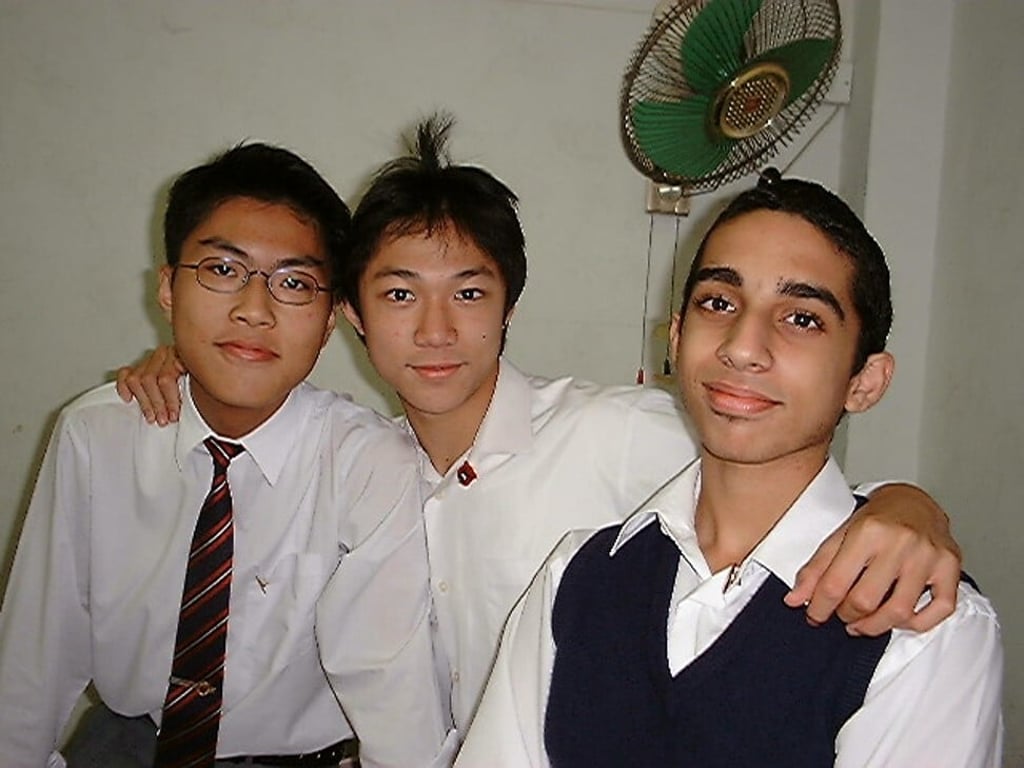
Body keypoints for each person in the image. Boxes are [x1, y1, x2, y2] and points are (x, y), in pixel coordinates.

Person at [116, 117, 963, 749]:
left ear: (510, 307)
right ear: (351, 316)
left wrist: (906, 500)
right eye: (401, 295)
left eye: (471, 294)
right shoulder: (358, 465)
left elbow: (787, 473)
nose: (438, 331)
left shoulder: (615, 431)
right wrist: (184, 373)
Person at [455, 170, 1004, 767]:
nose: (743, 346)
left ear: (864, 381)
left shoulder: (916, 622)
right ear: (677, 336)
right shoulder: (577, 579)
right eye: (719, 302)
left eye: (801, 318)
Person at [0, 144, 449, 768]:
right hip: (129, 742)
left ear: (328, 321)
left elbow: (394, 699)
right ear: (167, 289)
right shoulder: (97, 435)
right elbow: (33, 661)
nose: (253, 310)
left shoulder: (369, 463)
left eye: (294, 283)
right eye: (221, 270)